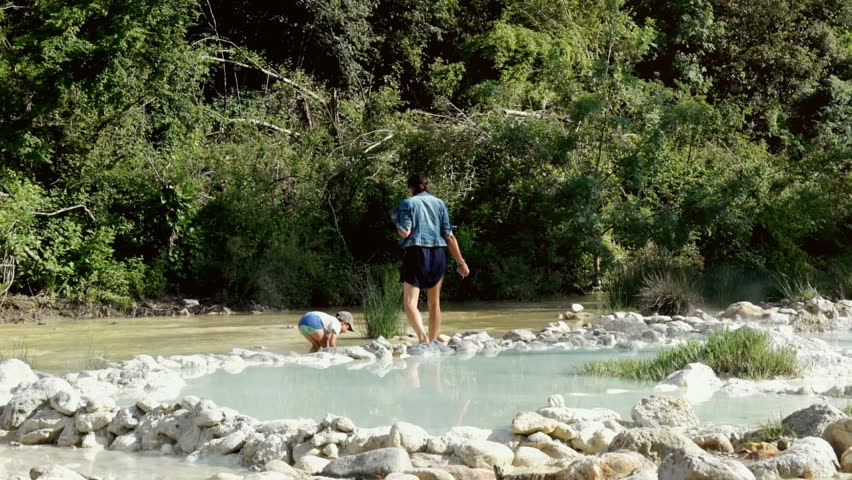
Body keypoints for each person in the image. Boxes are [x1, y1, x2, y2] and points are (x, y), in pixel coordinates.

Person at [391, 173, 470, 344]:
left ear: (411, 188)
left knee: (410, 302)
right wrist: (460, 262)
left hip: (417, 252)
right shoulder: (439, 203)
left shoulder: (408, 203)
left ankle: (423, 338)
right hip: (438, 253)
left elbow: (405, 231)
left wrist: (396, 221)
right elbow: (449, 235)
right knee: (434, 302)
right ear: (426, 185)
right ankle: (434, 341)